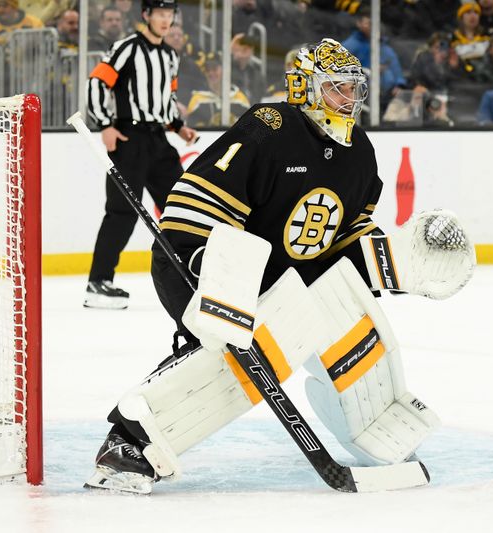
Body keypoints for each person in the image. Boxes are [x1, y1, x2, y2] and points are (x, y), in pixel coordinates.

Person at [84, 37, 473, 495]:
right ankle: (130, 441)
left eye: (354, 89)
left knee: (345, 312)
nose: (350, 100)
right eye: (337, 89)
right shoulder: (269, 129)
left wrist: (397, 263)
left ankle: (375, 421)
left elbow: (342, 241)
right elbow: (195, 205)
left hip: (281, 281)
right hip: (201, 262)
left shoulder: (359, 153)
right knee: (249, 347)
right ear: (305, 88)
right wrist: (208, 268)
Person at [84, 0, 198, 309]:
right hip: (129, 137)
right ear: (146, 15)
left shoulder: (169, 55)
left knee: (183, 206)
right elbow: (97, 81)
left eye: (169, 14)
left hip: (158, 140)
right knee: (122, 211)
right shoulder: (127, 47)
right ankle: (98, 282)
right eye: (159, 14)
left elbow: (167, 97)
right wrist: (105, 125)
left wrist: (178, 126)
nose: (165, 20)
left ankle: (195, 273)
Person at [342, 4, 406, 109]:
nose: (372, 26)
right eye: (368, 23)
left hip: (386, 96)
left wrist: (398, 85)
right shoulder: (350, 45)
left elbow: (395, 66)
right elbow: (343, 72)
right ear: (359, 24)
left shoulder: (383, 46)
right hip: (362, 95)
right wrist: (370, 70)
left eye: (374, 23)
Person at [185, 51, 252, 127]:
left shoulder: (239, 99)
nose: (211, 73)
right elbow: (193, 129)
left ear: (225, 70)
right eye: (207, 70)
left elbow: (249, 127)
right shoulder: (197, 100)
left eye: (214, 69)